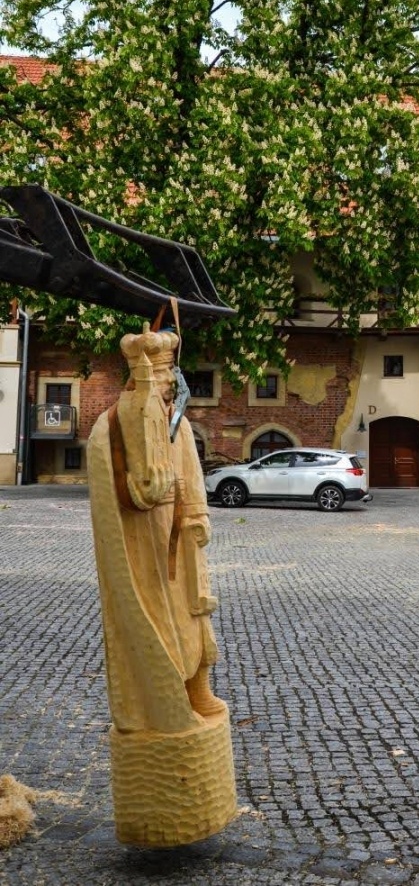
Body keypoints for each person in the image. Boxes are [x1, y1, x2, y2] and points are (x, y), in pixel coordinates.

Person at [87, 325, 236, 846]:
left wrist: (195, 514)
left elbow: (190, 474)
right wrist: (142, 490)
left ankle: (198, 691)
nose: (170, 389)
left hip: (178, 539)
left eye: (173, 379)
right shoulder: (116, 424)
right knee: (157, 622)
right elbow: (125, 486)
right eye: (162, 379)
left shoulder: (176, 423)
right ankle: (167, 704)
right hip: (140, 544)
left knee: (194, 617)